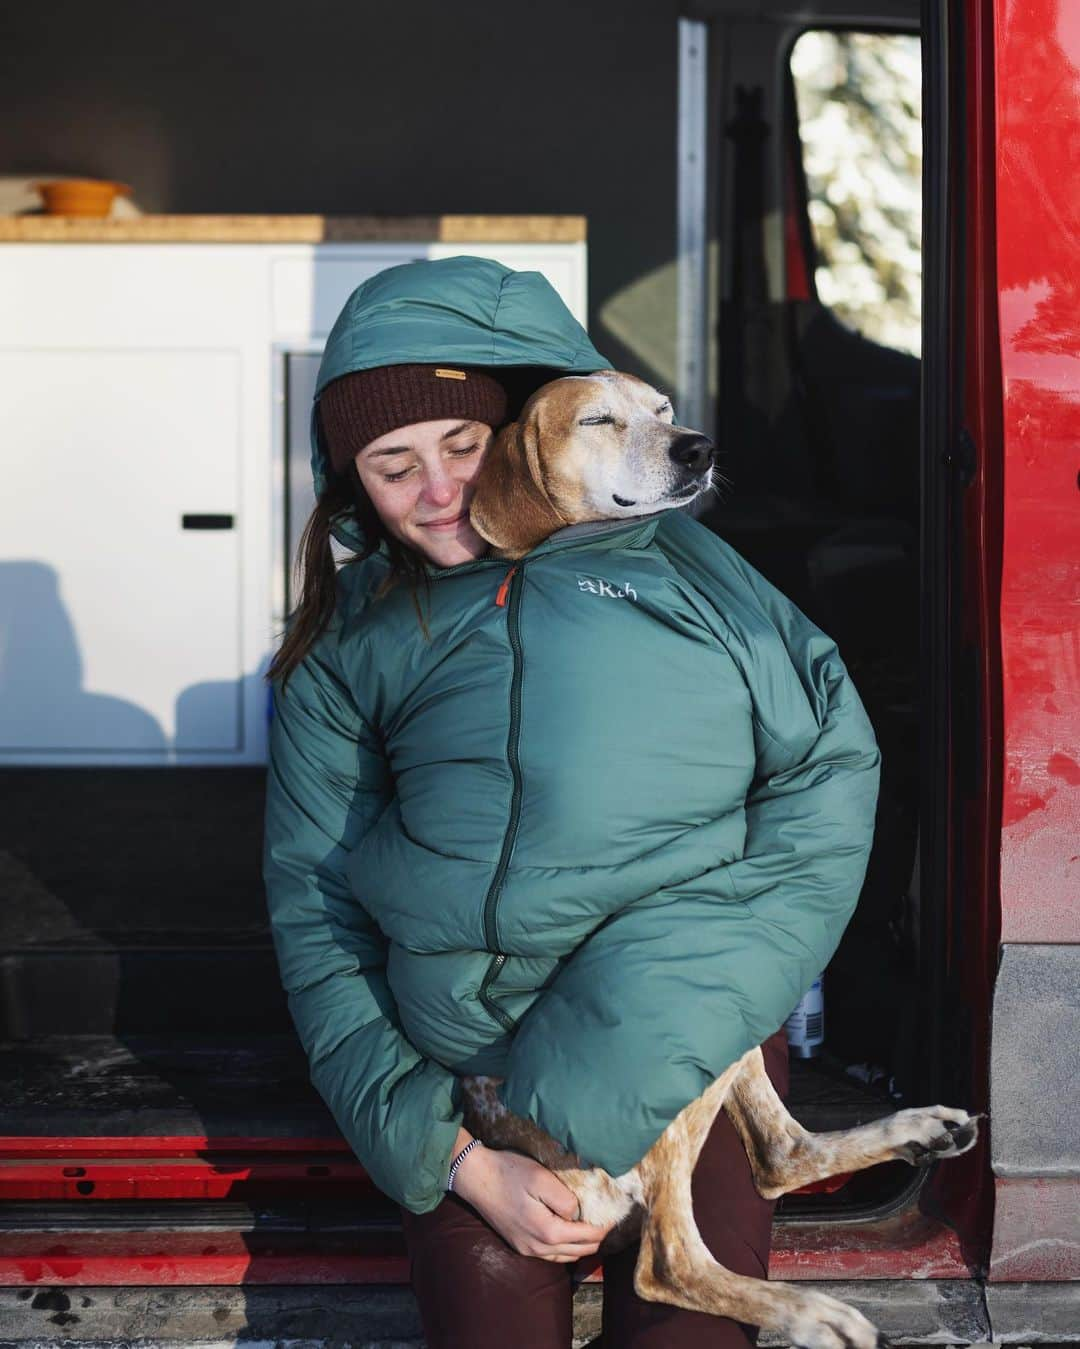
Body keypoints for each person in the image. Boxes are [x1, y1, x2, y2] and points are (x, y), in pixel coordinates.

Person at [262, 255, 880, 1348]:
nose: (441, 490)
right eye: (394, 467)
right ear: (352, 484)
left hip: (687, 1033)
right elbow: (317, 918)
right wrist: (457, 1159)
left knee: (689, 1337)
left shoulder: (692, 574)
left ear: (521, 433)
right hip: (478, 1080)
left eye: (462, 446)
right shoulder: (347, 644)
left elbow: (830, 774)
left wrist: (681, 998)